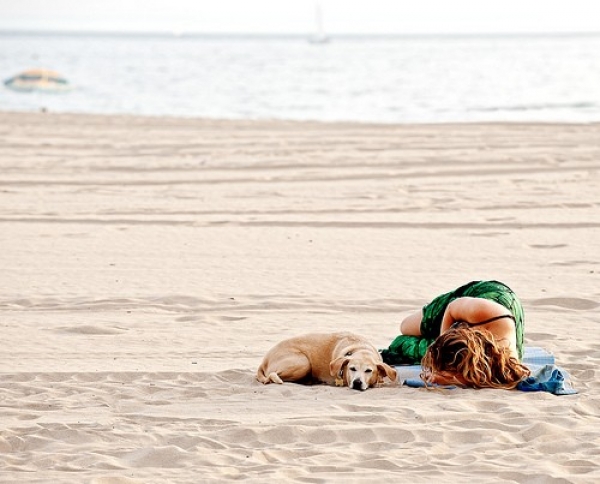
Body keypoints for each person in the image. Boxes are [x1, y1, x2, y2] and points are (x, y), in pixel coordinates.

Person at [380, 280, 530, 389]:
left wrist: (453, 378)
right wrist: (440, 343)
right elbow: (452, 308)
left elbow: (510, 377)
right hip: (467, 303)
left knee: (404, 345)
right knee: (406, 327)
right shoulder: (482, 312)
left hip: (491, 319)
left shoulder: (502, 355)